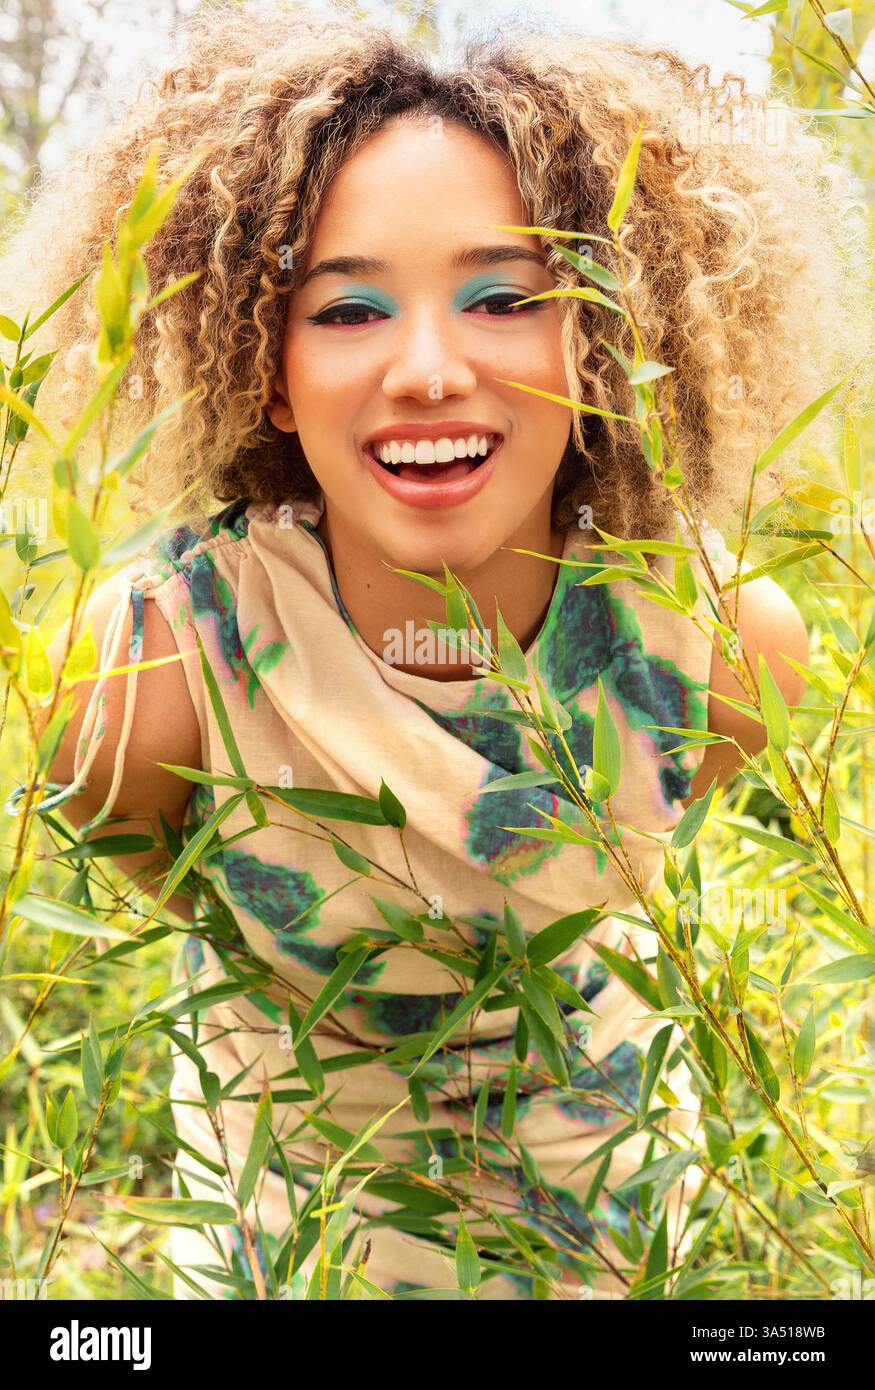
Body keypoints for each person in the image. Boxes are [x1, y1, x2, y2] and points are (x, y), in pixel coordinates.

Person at [12, 1, 863, 1298]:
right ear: (268, 369)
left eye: (504, 297)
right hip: (293, 1252)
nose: (426, 367)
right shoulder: (152, 671)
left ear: (601, 340)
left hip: (605, 1241)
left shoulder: (728, 644)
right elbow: (164, 871)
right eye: (347, 310)